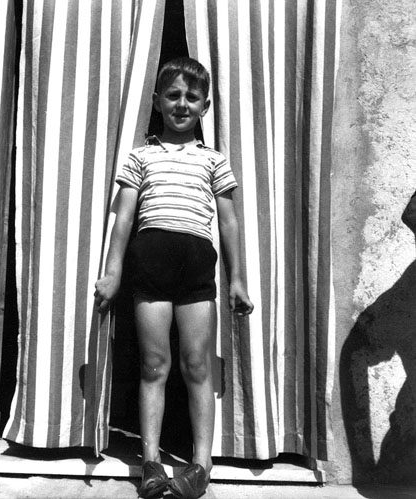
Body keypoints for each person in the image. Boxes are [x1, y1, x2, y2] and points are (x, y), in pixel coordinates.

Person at [95, 57, 253, 499]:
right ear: (157, 101)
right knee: (154, 365)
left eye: (192, 97)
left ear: (205, 106)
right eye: (173, 95)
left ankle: (201, 465)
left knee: (197, 365)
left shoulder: (213, 160)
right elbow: (124, 219)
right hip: (150, 267)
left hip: (196, 269)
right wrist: (112, 273)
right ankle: (151, 462)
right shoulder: (141, 156)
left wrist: (237, 280)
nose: (182, 104)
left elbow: (229, 223)